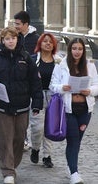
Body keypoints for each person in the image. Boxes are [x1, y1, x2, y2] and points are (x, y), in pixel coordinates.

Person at [0, 26, 43, 184]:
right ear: (2, 40)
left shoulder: (26, 58)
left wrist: (37, 103)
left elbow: (35, 82)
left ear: (18, 39)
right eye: (7, 39)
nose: (11, 41)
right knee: (5, 139)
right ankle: (8, 170)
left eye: (13, 38)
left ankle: (12, 164)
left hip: (22, 105)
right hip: (1, 106)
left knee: (18, 139)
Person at [49, 38, 98, 184]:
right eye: (74, 48)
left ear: (83, 51)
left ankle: (71, 166)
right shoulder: (61, 65)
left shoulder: (90, 66)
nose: (77, 51)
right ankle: (74, 172)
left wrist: (89, 90)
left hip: (85, 110)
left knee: (77, 141)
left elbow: (96, 85)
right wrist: (62, 88)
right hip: (68, 109)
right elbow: (53, 86)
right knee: (73, 140)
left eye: (80, 49)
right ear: (70, 50)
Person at [29, 33, 62, 168]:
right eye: (45, 41)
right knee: (37, 127)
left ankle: (47, 155)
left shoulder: (59, 61)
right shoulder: (33, 60)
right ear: (40, 44)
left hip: (53, 96)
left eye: (50, 42)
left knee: (50, 126)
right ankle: (35, 148)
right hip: (37, 96)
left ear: (54, 45)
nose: (48, 44)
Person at [13, 10, 40, 151]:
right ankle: (21, 138)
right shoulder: (13, 37)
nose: (15, 26)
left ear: (26, 24)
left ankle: (29, 140)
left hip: (30, 79)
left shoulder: (35, 38)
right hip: (17, 80)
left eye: (17, 24)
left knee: (28, 112)